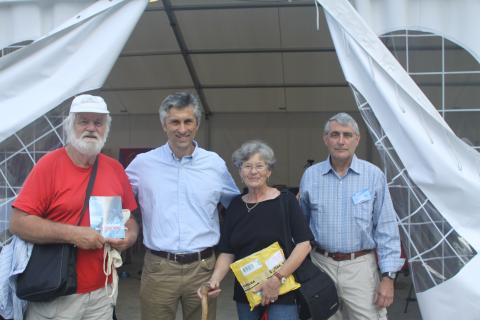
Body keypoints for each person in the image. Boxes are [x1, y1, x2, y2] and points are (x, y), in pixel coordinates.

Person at [9, 94, 139, 320]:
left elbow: (130, 219)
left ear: (105, 128)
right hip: (56, 293)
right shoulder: (48, 165)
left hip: (102, 293)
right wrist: (74, 234)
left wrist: (129, 237)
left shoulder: (114, 168)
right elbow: (18, 223)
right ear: (71, 125)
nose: (91, 128)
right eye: (83, 121)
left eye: (98, 122)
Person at [126, 92, 239, 320]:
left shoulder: (214, 164)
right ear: (164, 125)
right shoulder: (142, 165)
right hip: (159, 268)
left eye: (188, 121)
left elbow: (238, 208)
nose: (182, 129)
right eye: (174, 121)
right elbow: (115, 198)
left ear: (196, 124)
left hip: (203, 268)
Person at [299, 112, 404, 320]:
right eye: (334, 134)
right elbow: (301, 226)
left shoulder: (373, 176)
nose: (340, 141)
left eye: (347, 135)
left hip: (361, 267)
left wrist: (388, 277)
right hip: (321, 264)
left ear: (357, 139)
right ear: (325, 139)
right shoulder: (310, 176)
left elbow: (386, 229)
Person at [200, 140, 313, 320]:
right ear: (240, 172)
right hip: (247, 291)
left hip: (281, 288)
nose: (253, 171)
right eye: (247, 166)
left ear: (268, 171)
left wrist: (276, 279)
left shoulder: (286, 201)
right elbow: (227, 251)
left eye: (259, 166)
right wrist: (215, 280)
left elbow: (304, 245)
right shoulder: (235, 206)